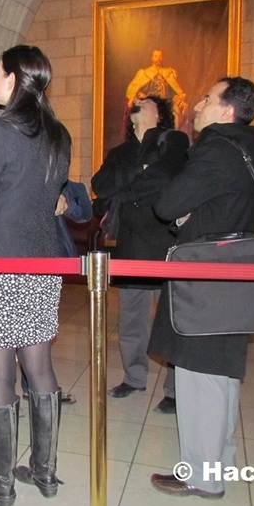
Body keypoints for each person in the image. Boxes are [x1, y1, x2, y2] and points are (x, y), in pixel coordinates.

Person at [148, 77, 254, 499]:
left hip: (205, 278)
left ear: (226, 110)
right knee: (222, 373)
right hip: (233, 273)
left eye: (206, 99)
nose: (197, 106)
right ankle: (220, 462)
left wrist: (185, 214)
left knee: (200, 376)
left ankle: (201, 475)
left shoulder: (217, 149)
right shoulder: (249, 147)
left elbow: (166, 204)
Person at [0, 45, 71, 506]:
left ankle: (1, 483)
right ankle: (44, 473)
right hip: (44, 263)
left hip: (2, 263)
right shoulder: (59, 135)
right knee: (39, 367)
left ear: (11, 78)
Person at [91, 96, 188, 413]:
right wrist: (139, 170)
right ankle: (134, 377)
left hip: (165, 242)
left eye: (146, 102)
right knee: (131, 320)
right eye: (137, 101)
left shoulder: (172, 143)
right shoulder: (120, 153)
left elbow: (167, 179)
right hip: (131, 244)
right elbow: (100, 184)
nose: (139, 103)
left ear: (160, 114)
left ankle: (174, 389)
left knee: (171, 321)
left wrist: (126, 186)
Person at [125, 49, 189, 131]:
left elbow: (173, 93)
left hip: (164, 105)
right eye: (156, 56)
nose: (158, 58)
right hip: (150, 104)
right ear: (152, 58)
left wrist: (180, 101)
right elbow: (134, 90)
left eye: (160, 56)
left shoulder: (167, 73)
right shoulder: (145, 73)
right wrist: (140, 96)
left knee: (174, 114)